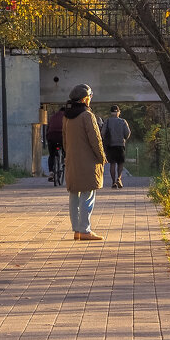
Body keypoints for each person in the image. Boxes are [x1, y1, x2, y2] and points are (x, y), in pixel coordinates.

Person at [63, 84, 106, 241]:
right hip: (88, 162)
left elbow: (64, 141)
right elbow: (95, 140)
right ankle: (85, 230)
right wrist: (102, 157)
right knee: (88, 195)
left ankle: (77, 230)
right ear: (84, 99)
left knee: (74, 194)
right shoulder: (87, 116)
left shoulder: (67, 117)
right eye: (90, 96)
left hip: (72, 161)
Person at [102, 105, 132, 188]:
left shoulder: (107, 121)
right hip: (120, 145)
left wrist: (106, 140)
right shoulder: (123, 121)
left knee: (112, 163)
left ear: (111, 112)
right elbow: (127, 133)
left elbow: (103, 133)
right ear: (118, 112)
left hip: (111, 145)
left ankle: (113, 182)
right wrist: (124, 138)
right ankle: (119, 178)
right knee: (120, 163)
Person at [46, 105, 65, 182]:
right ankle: (65, 161)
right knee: (66, 149)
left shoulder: (53, 116)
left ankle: (51, 172)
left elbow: (48, 128)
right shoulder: (67, 116)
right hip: (62, 136)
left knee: (51, 155)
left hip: (51, 136)